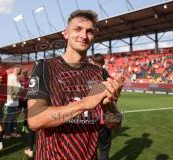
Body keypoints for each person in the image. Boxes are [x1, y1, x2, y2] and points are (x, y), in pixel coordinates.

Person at [26, 10, 124, 160]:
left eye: (89, 31)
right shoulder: (45, 67)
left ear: (94, 37)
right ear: (65, 33)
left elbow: (115, 124)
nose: (84, 36)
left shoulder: (100, 74)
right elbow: (34, 120)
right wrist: (84, 103)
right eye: (77, 29)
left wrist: (109, 106)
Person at [89, 53, 111, 160]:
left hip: (89, 116)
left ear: (93, 62)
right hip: (102, 116)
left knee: (89, 148)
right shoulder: (104, 73)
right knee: (104, 148)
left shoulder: (88, 74)